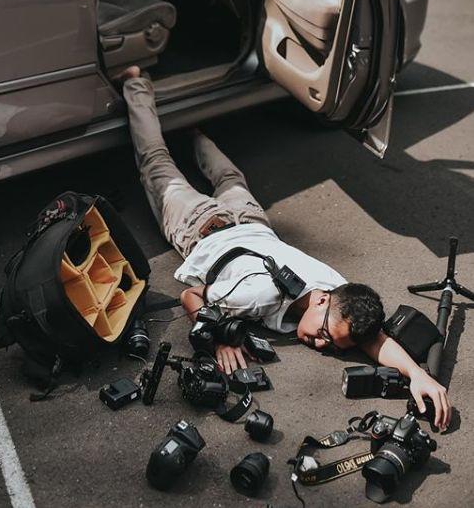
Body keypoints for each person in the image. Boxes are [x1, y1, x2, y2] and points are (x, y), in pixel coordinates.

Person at [119, 66, 452, 430]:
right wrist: (217, 340)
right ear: (322, 300)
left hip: (251, 219)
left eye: (334, 346)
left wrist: (417, 375)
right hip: (201, 226)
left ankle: (195, 132)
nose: (322, 345)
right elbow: (192, 295)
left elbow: (375, 341)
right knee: (155, 162)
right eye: (325, 335)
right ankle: (135, 82)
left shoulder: (339, 291)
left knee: (229, 178)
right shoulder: (258, 296)